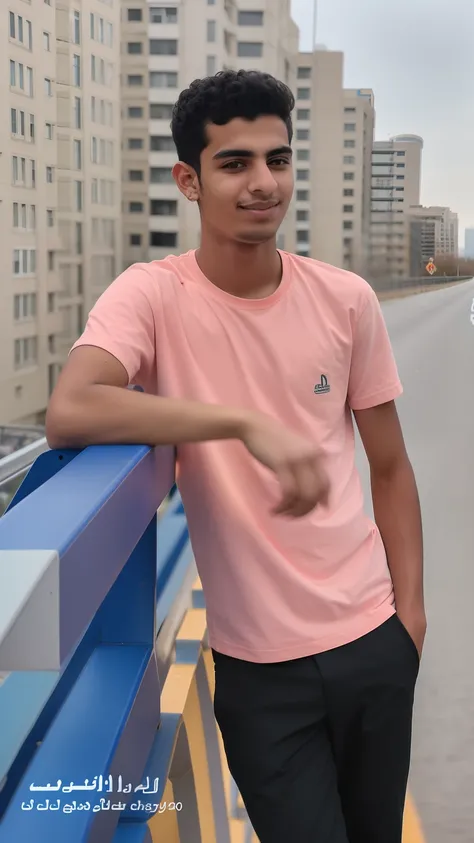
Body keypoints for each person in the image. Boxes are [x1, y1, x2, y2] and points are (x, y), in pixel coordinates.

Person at [46, 70, 426, 842]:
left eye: (277, 160)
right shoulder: (151, 295)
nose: (263, 183)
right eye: (235, 163)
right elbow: (72, 408)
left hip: (373, 641)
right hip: (258, 669)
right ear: (189, 179)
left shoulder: (345, 299)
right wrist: (238, 421)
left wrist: (409, 622)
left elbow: (389, 466)